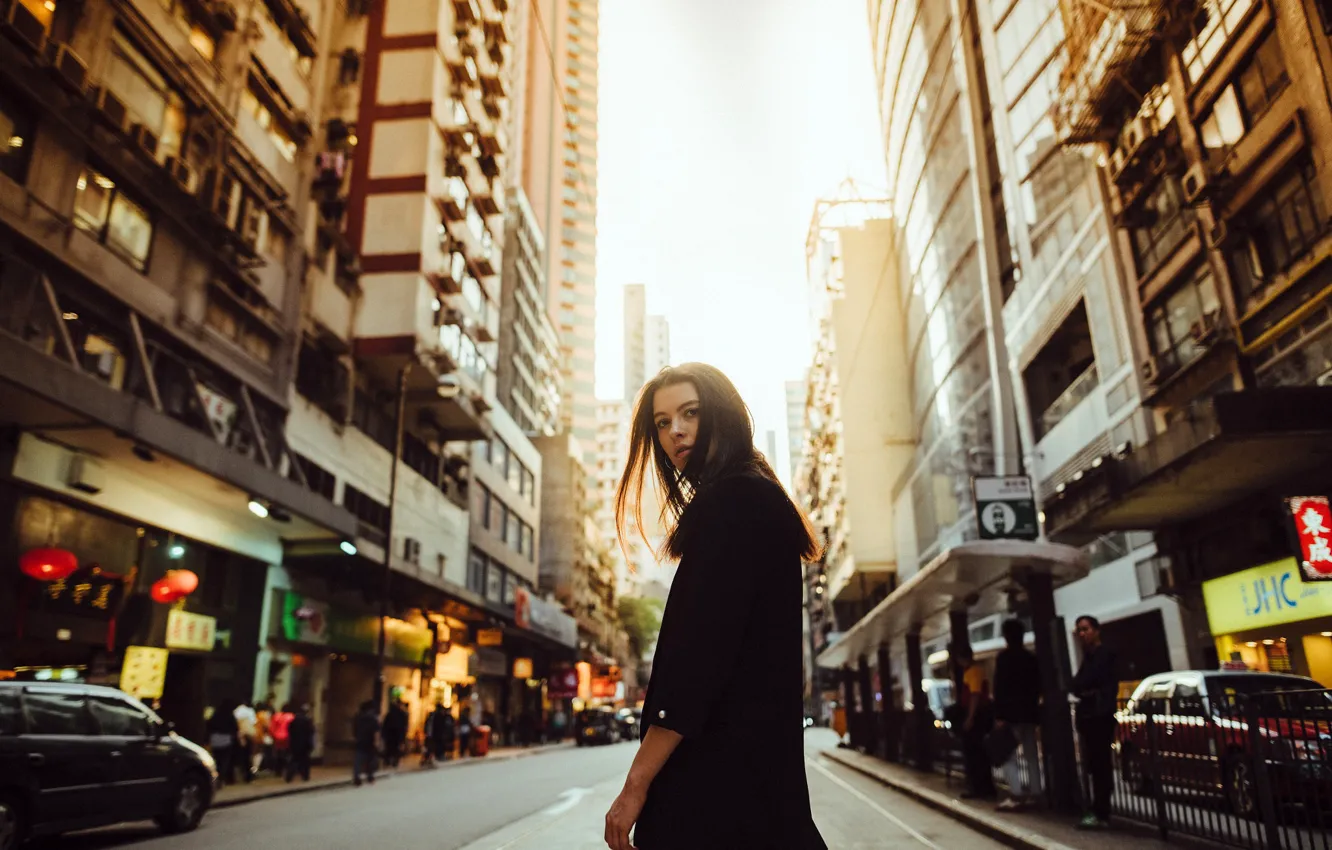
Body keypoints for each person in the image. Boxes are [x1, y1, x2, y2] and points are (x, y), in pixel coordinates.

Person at [603, 363, 827, 850]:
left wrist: (635, 784)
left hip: (718, 795)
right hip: (750, 789)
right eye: (661, 422)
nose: (675, 431)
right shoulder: (750, 496)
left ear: (722, 417)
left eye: (690, 413)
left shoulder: (734, 502)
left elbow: (697, 663)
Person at [1071, 615, 1118, 830]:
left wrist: (1084, 688)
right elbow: (1077, 684)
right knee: (1094, 763)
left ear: (1096, 630)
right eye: (1079, 630)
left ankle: (1102, 811)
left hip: (1100, 716)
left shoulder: (1104, 654)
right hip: (1091, 716)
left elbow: (1083, 682)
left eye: (1086, 629)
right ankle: (1098, 809)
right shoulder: (1089, 656)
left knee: (1100, 764)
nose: (1082, 634)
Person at [992, 619, 1042, 810]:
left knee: (1009, 755)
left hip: (1010, 715)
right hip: (1029, 713)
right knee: (1031, 755)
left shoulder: (1003, 659)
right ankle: (1036, 793)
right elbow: (1037, 685)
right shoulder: (1031, 658)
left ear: (1006, 636)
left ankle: (1016, 795)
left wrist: (999, 715)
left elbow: (1000, 688)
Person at [952, 644, 997, 800]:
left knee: (974, 753)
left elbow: (975, 695)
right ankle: (983, 787)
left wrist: (970, 718)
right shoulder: (973, 671)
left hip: (977, 717)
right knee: (978, 753)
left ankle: (979, 787)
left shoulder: (973, 672)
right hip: (979, 716)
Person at [205, 699, 241, 786]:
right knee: (225, 760)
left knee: (217, 760)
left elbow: (209, 726)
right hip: (226, 739)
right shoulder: (230, 716)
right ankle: (222, 778)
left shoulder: (215, 715)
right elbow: (235, 728)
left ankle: (217, 778)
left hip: (215, 739)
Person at [352, 700, 380, 786]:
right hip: (370, 742)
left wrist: (356, 737)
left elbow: (354, 729)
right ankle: (370, 776)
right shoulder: (373, 719)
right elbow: (376, 732)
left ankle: (357, 777)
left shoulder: (358, 718)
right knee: (370, 760)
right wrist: (376, 742)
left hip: (360, 741)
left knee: (358, 760)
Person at [285, 704, 316, 783]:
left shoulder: (294, 720)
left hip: (294, 743)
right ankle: (305, 776)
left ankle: (289, 776)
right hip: (304, 744)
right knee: (305, 761)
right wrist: (311, 744)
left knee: (293, 760)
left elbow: (289, 731)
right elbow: (311, 733)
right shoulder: (308, 721)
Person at [233, 698, 257, 783]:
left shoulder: (236, 711)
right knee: (248, 756)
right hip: (249, 735)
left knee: (239, 756)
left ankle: (238, 775)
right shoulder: (250, 711)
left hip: (239, 735)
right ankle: (248, 776)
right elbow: (254, 722)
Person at [270, 702, 295, 776]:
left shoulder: (276, 716)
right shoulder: (291, 717)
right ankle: (287, 768)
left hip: (277, 737)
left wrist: (273, 735)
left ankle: (278, 770)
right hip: (287, 737)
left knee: (278, 754)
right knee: (287, 754)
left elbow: (272, 728)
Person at [382, 699, 408, 769]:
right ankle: (394, 762)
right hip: (397, 735)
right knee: (396, 749)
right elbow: (404, 727)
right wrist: (403, 737)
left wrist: (384, 734)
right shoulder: (402, 714)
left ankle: (387, 761)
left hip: (390, 735)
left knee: (389, 748)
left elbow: (385, 725)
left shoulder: (390, 714)